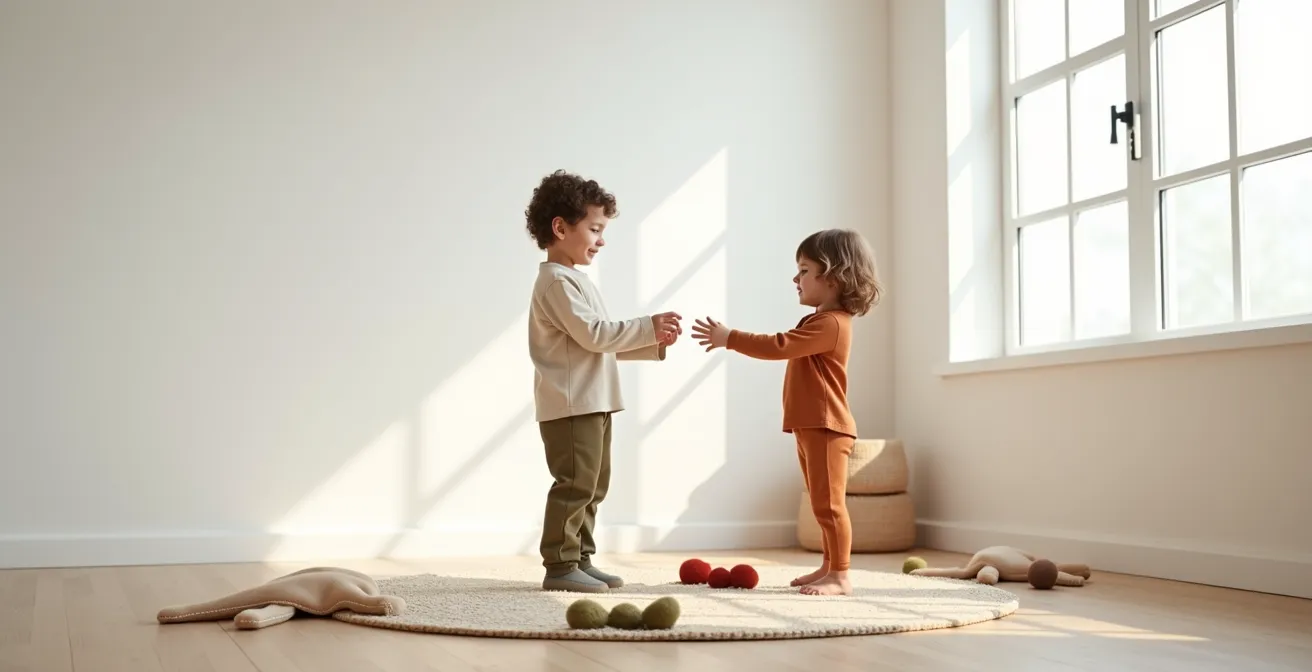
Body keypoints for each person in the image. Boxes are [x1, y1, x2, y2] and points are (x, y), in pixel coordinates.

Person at [691, 228, 882, 596]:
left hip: (826, 426)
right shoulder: (820, 320)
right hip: (810, 424)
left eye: (804, 270)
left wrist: (729, 337)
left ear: (833, 275)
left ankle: (841, 575)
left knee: (829, 505)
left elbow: (779, 346)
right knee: (819, 502)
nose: (796, 279)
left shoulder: (831, 323)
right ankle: (828, 566)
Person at [524, 169, 683, 593]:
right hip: (572, 404)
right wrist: (647, 327)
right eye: (594, 229)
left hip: (592, 401)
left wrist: (653, 343)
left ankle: (580, 557)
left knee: (594, 485)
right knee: (575, 484)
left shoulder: (574, 281)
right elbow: (596, 334)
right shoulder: (557, 282)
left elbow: (595, 344)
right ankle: (559, 565)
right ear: (561, 227)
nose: (601, 239)